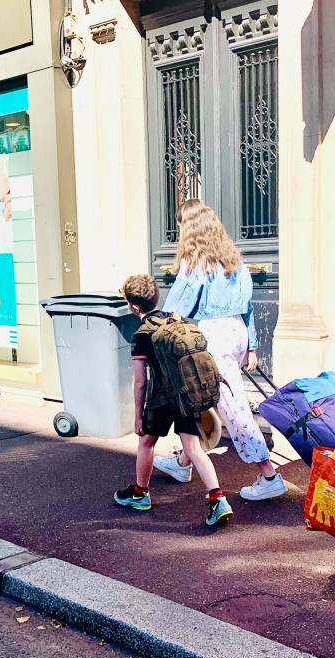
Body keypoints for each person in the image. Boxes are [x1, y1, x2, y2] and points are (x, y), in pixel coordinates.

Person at [157, 199, 287, 501]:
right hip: (236, 333)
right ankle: (184, 462)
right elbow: (247, 308)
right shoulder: (234, 261)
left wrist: (158, 331)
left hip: (213, 336)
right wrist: (251, 346)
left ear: (189, 228)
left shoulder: (195, 263)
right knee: (198, 400)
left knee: (233, 409)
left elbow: (175, 308)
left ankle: (269, 475)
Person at [114, 275, 233, 527]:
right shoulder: (176, 319)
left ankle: (140, 494)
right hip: (187, 394)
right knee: (193, 449)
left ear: (134, 307)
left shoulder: (141, 335)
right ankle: (218, 499)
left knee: (146, 442)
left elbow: (140, 381)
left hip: (162, 399)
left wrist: (138, 416)